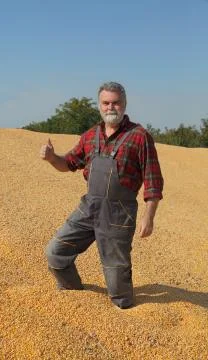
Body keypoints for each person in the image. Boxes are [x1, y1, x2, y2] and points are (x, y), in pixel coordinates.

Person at [40, 82, 164, 309]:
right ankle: (74, 296)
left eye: (115, 102)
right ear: (99, 105)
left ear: (124, 104)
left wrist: (149, 216)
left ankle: (124, 309)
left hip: (119, 213)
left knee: (117, 282)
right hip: (88, 209)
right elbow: (67, 164)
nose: (111, 107)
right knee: (55, 253)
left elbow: (153, 180)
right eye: (106, 103)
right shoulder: (90, 136)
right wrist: (51, 158)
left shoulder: (139, 136)